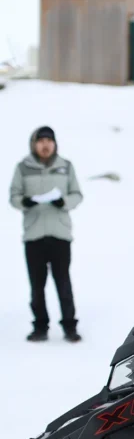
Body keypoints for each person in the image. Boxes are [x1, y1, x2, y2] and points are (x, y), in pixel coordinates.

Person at [8, 126, 84, 342]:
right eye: (40, 141)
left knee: (63, 281)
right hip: (34, 236)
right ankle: (40, 326)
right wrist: (25, 201)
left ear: (55, 144)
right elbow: (14, 196)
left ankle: (70, 326)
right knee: (37, 285)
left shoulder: (65, 166)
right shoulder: (23, 168)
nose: (45, 144)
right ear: (34, 144)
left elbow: (77, 194)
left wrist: (64, 202)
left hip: (60, 235)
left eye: (49, 141)